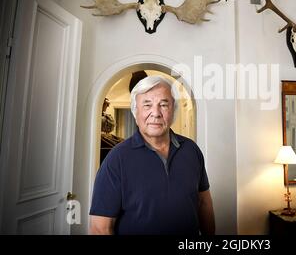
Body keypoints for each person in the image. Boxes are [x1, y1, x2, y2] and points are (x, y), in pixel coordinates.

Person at [89, 76, 215, 235]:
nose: (155, 113)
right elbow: (99, 228)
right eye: (147, 105)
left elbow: (204, 202)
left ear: (173, 110)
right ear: (136, 112)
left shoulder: (191, 150)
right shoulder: (116, 159)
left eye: (164, 104)